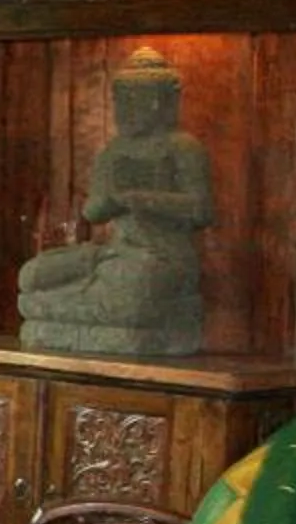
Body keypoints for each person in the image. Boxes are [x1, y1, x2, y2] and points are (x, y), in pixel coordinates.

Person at [17, 48, 212, 356]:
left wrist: (142, 198)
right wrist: (111, 197)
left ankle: (80, 302)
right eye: (120, 102)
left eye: (134, 101)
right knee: (31, 276)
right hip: (111, 254)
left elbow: (201, 210)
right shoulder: (113, 151)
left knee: (131, 295)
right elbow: (93, 212)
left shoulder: (183, 147)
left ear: (160, 102)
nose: (124, 110)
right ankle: (80, 298)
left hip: (160, 258)